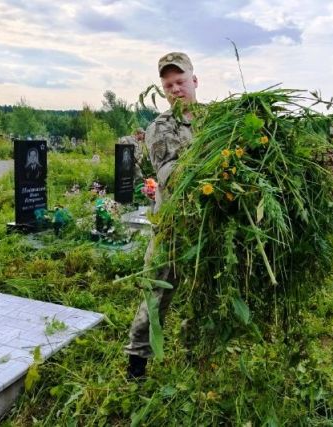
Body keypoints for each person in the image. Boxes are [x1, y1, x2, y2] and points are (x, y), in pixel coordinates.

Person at [124, 52, 198, 379]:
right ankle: (137, 362)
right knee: (155, 293)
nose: (175, 89)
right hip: (171, 224)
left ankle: (199, 352)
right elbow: (167, 172)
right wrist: (211, 164)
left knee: (207, 292)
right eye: (168, 85)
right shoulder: (160, 128)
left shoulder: (220, 121)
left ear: (194, 81)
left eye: (180, 81)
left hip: (207, 225)